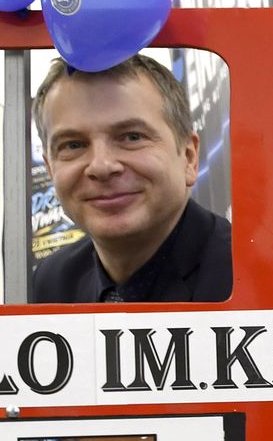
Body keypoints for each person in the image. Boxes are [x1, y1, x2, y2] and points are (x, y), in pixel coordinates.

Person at [29, 54, 231, 303]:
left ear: (188, 158)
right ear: (50, 169)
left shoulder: (249, 276)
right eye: (73, 145)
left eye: (132, 137)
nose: (102, 166)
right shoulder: (52, 283)